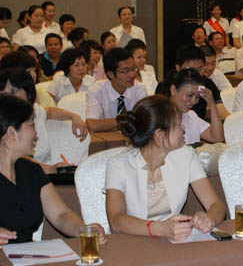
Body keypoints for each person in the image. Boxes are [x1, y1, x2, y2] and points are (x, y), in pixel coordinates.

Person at [105, 95, 226, 241]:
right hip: (134, 241)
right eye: (178, 124)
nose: (183, 129)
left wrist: (209, 218)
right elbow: (116, 221)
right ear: (159, 136)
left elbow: (216, 205)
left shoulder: (186, 155)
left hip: (174, 240)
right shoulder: (119, 164)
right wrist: (161, 228)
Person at [0, 95, 107, 246]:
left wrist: (82, 230)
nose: (36, 134)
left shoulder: (31, 171)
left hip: (25, 254)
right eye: (31, 125)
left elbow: (61, 215)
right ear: (12, 133)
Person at [0, 68, 88, 173]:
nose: (8, 97)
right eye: (3, 93)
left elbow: (50, 112)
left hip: (44, 173)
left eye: (14, 91)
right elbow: (17, 158)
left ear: (29, 93)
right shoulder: (3, 123)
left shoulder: (35, 112)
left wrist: (73, 116)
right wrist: (51, 168)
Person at [155, 45, 228, 121]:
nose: (195, 74)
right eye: (190, 70)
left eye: (199, 69)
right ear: (178, 68)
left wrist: (212, 103)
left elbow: (222, 113)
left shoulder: (207, 83)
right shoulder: (164, 86)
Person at [86, 48, 147, 132]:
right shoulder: (96, 91)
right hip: (107, 139)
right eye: (126, 71)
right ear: (110, 74)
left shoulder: (139, 89)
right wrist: (125, 121)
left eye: (133, 68)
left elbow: (143, 122)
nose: (132, 74)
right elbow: (92, 125)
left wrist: (108, 125)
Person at [168, 69, 224, 144]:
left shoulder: (191, 116)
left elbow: (218, 138)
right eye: (190, 95)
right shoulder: (158, 116)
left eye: (197, 97)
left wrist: (212, 104)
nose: (193, 102)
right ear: (173, 90)